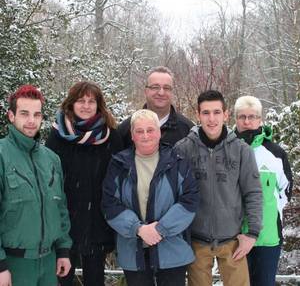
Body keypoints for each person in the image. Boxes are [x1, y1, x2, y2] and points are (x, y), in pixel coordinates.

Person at [174, 90, 263, 286]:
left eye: (216, 112)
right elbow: (174, 195)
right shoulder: (183, 149)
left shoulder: (241, 150)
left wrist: (253, 234)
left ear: (226, 114)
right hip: (196, 241)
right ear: (198, 115)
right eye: (206, 113)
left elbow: (253, 193)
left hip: (233, 241)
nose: (211, 118)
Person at [102, 109, 199, 286]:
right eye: (139, 131)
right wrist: (138, 229)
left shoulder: (177, 161)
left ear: (159, 132)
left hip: (172, 250)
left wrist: (161, 229)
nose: (145, 135)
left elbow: (189, 201)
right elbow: (110, 204)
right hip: (133, 252)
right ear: (132, 135)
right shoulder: (119, 164)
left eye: (150, 130)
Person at [46, 81, 123, 286]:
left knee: (95, 280)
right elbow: (49, 181)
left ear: (99, 105)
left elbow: (120, 180)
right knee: (62, 280)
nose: (86, 106)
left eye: (91, 101)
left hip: (98, 223)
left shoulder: (111, 136)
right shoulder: (57, 136)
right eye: (81, 100)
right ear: (71, 104)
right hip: (65, 224)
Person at [0, 85, 72, 286]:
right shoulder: (2, 155)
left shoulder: (51, 159)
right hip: (14, 265)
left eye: (37, 114)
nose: (31, 121)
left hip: (48, 263)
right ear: (11, 116)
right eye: (24, 114)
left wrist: (63, 250)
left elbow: (60, 209)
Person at [234, 95, 293, 286]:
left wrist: (271, 209)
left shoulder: (275, 154)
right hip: (234, 236)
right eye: (242, 117)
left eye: (252, 116)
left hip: (268, 237)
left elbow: (286, 189)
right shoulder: (226, 150)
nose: (247, 121)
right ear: (235, 119)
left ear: (260, 119)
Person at [117, 66, 194, 148]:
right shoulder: (126, 129)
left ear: (172, 92)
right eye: (155, 87)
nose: (161, 93)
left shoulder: (188, 131)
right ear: (146, 91)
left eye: (166, 88)